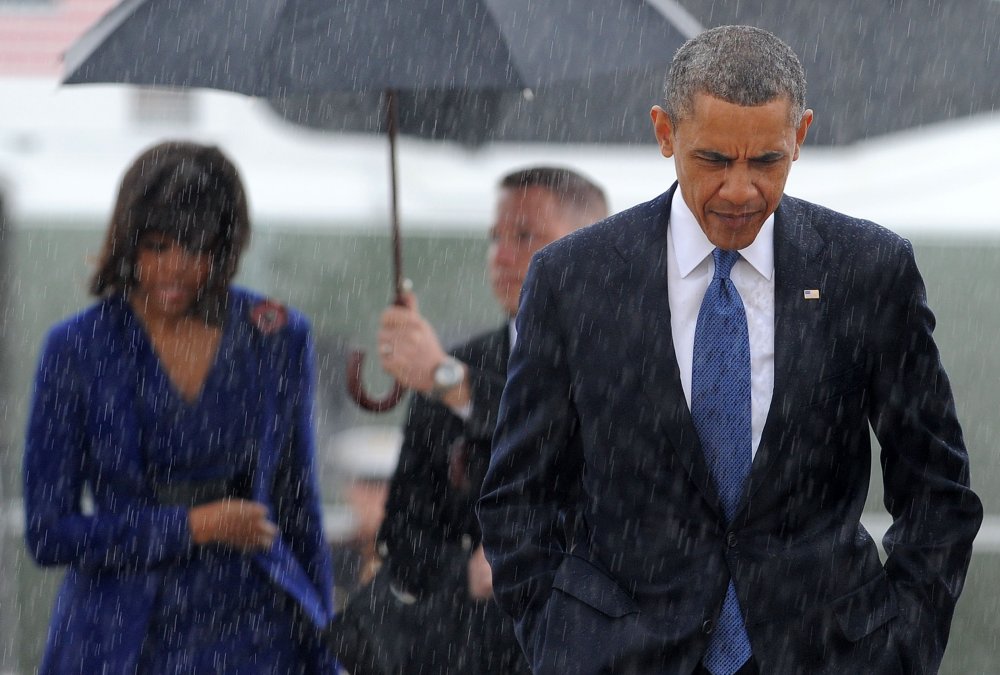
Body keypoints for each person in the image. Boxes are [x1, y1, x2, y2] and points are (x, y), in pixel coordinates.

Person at [478, 25, 983, 675]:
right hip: (621, 658)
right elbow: (519, 494)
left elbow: (938, 490)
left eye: (765, 160)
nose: (740, 189)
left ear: (800, 136)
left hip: (827, 655)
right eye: (714, 159)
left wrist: (904, 643)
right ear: (665, 134)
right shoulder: (575, 279)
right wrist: (560, 637)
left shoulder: (869, 271)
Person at [23, 141, 335, 674]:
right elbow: (48, 533)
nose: (174, 269)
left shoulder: (277, 334)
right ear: (127, 242)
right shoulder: (76, 348)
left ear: (226, 246)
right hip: (121, 642)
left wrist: (328, 642)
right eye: (156, 246)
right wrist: (193, 526)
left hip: (257, 637)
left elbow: (299, 507)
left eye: (196, 248)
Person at [365, 167, 608, 674]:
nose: (501, 256)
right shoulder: (456, 367)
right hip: (467, 653)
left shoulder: (630, 362)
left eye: (525, 236)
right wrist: (464, 573)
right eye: (494, 237)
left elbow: (588, 461)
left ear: (590, 248)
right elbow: (404, 537)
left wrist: (457, 386)